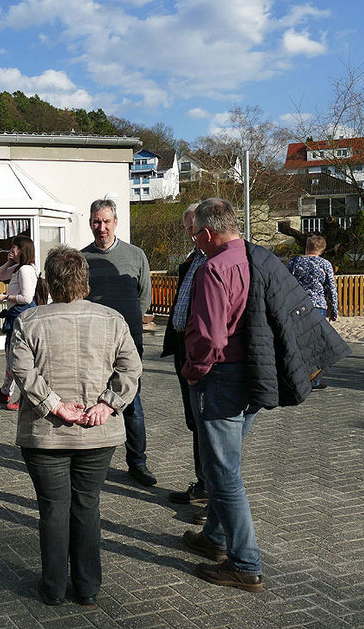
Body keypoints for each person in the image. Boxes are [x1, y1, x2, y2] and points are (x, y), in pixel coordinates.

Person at [181, 198, 349, 592]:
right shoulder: (260, 258)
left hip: (221, 378)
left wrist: (192, 374)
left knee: (224, 475)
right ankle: (215, 538)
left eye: (195, 235)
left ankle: (245, 563)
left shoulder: (213, 269)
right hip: (256, 374)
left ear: (207, 233)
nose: (195, 241)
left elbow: (209, 338)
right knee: (227, 465)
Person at [10, 245, 142, 607]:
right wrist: (107, 404)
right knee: (86, 507)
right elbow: (132, 369)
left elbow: (23, 371)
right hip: (96, 433)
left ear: (50, 282)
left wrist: (54, 405)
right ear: (85, 280)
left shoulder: (29, 320)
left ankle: (53, 586)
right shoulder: (112, 320)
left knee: (53, 509)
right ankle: (86, 587)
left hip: (45, 434)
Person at [81, 198, 155, 487]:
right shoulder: (80, 259)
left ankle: (138, 462)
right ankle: (91, 462)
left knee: (132, 404)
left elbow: (144, 297)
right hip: (92, 345)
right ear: (90, 223)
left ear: (116, 222)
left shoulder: (135, 256)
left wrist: (126, 326)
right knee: (92, 400)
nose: (102, 227)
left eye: (107, 221)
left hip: (128, 345)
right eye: (97, 222)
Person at [162, 205, 210, 512]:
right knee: (195, 421)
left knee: (207, 423)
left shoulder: (216, 261)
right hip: (184, 349)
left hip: (202, 354)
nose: (189, 234)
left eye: (192, 227)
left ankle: (209, 497)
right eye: (186, 229)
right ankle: (202, 485)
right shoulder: (193, 261)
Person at [0, 235, 38, 409]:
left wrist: (6, 297)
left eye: (15, 247)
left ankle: (23, 397)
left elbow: (27, 297)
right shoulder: (18, 268)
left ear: (23, 250)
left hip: (21, 317)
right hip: (14, 316)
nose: (11, 250)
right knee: (10, 355)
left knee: (17, 358)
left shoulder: (25, 270)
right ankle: (5, 391)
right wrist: (8, 262)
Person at [288, 235, 338, 389]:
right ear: (322, 250)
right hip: (318, 307)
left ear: (306, 247)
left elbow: (284, 282)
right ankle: (314, 380)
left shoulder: (294, 262)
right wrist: (334, 309)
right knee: (316, 345)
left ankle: (296, 378)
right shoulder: (325, 264)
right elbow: (331, 288)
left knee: (298, 343)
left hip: (297, 306)